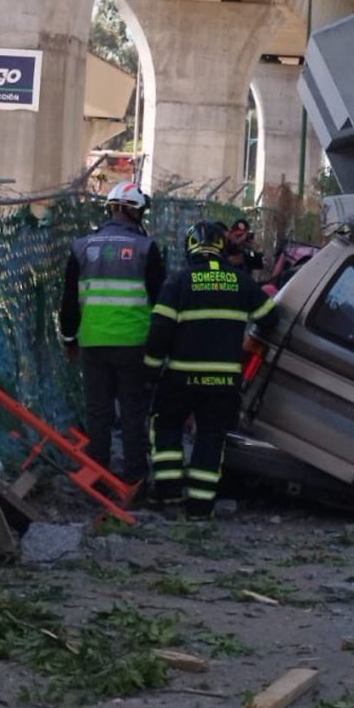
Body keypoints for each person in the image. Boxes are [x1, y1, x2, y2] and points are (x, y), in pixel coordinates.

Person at [144, 219, 278, 518]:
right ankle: (200, 507)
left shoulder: (178, 282)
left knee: (166, 429)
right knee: (210, 437)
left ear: (191, 246)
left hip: (181, 377)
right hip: (224, 381)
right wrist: (249, 338)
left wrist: (150, 373)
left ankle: (168, 495)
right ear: (221, 246)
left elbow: (160, 331)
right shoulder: (240, 281)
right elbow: (270, 317)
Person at [59, 181, 166, 493]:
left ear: (111, 208)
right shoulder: (147, 249)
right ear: (135, 211)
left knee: (98, 412)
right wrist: (159, 348)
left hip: (93, 342)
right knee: (133, 411)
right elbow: (159, 301)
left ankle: (98, 477)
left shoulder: (81, 247)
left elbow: (68, 301)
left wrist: (69, 339)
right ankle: (134, 477)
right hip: (134, 343)